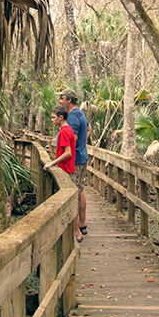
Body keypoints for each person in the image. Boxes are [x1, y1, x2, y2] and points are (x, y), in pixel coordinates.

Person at [44, 106, 84, 241]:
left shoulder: (64, 132)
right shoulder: (67, 130)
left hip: (66, 170)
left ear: (61, 118)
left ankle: (76, 232)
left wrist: (52, 162)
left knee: (70, 205)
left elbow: (68, 153)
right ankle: (73, 232)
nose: (52, 120)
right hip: (67, 169)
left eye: (54, 117)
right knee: (70, 203)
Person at [60, 89, 89, 237]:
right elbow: (88, 128)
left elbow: (74, 137)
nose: (60, 101)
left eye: (62, 98)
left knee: (75, 192)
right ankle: (82, 224)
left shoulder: (72, 116)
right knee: (80, 189)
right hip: (82, 155)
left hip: (76, 159)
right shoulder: (81, 114)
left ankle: (78, 228)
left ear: (69, 100)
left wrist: (67, 149)